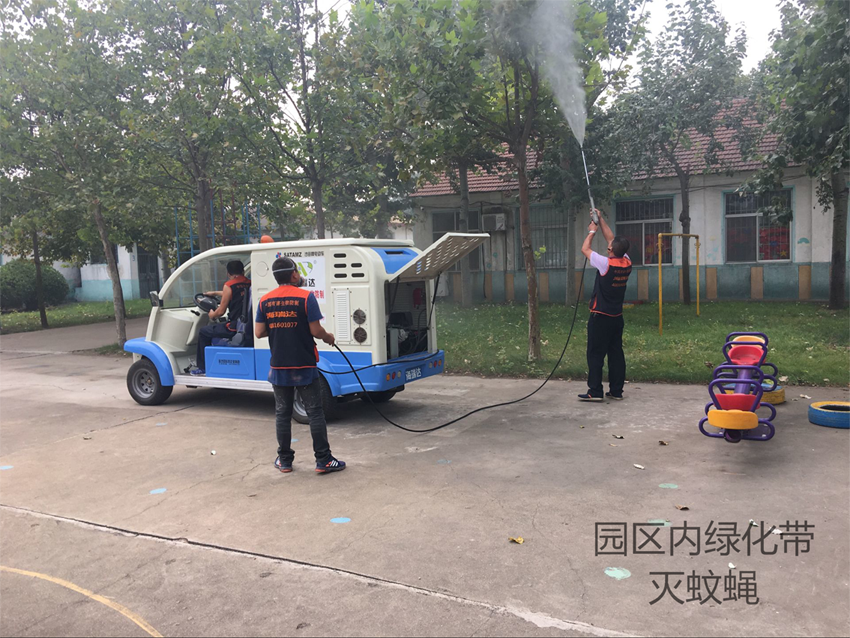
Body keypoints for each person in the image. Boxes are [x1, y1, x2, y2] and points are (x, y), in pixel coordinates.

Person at [255, 257, 345, 474]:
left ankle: (284, 461)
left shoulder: (264, 300)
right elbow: (315, 330)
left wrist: (278, 327)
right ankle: (323, 460)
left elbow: (259, 332)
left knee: (282, 413)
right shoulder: (306, 297)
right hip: (303, 364)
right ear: (294, 274)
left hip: (279, 366)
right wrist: (328, 337)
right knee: (314, 412)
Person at [578, 210, 632, 402]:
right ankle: (616, 391)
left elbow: (585, 249)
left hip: (600, 317)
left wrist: (592, 231)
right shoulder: (627, 262)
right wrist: (600, 219)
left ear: (611, 250)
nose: (608, 246)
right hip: (616, 317)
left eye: (609, 247)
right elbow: (611, 238)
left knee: (595, 354)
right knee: (616, 353)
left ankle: (595, 391)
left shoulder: (605, 264)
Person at [192, 260, 251, 375]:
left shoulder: (229, 285)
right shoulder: (250, 283)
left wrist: (212, 314)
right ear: (243, 271)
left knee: (203, 332)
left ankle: (202, 367)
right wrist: (214, 293)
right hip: (247, 325)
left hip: (234, 327)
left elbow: (221, 311)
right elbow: (235, 293)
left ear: (228, 273)